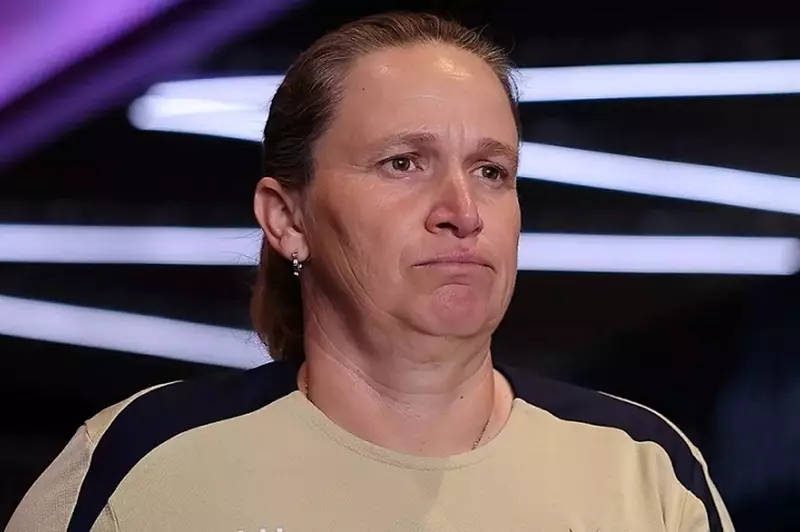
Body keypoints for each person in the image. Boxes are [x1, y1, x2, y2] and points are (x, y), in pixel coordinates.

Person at [5, 12, 734, 532]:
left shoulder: (643, 471)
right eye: (403, 163)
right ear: (287, 219)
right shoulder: (143, 465)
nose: (462, 211)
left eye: (491, 171)